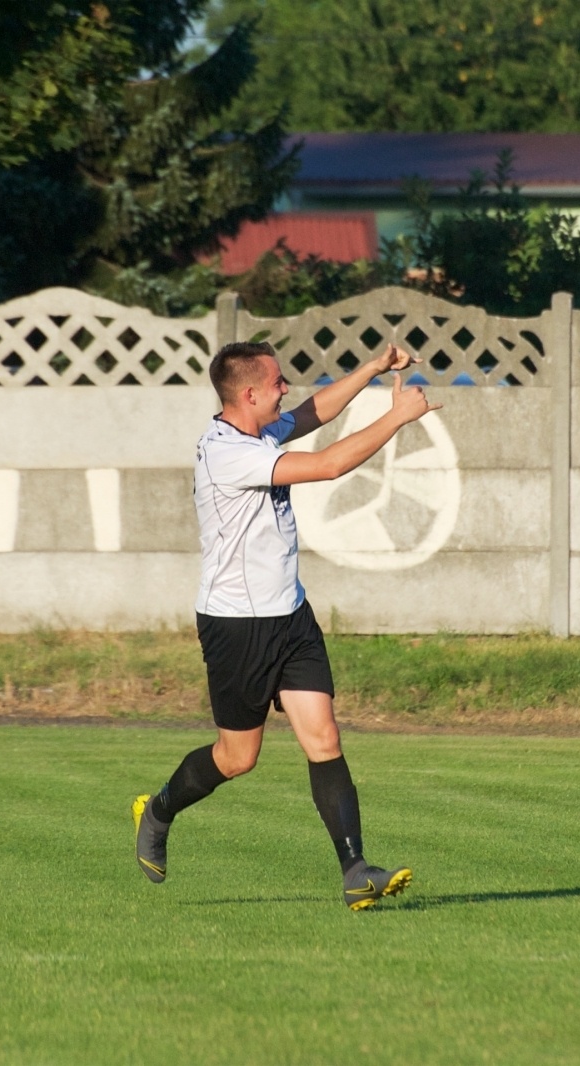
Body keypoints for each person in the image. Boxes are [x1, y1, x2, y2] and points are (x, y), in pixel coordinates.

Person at [132, 339, 439, 910]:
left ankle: (355, 872)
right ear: (248, 394)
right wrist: (398, 417)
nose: (286, 389)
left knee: (323, 737)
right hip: (237, 627)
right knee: (237, 758)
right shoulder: (228, 453)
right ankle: (159, 809)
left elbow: (313, 414)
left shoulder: (256, 430)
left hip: (290, 615)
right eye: (277, 382)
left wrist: (371, 368)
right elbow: (326, 465)